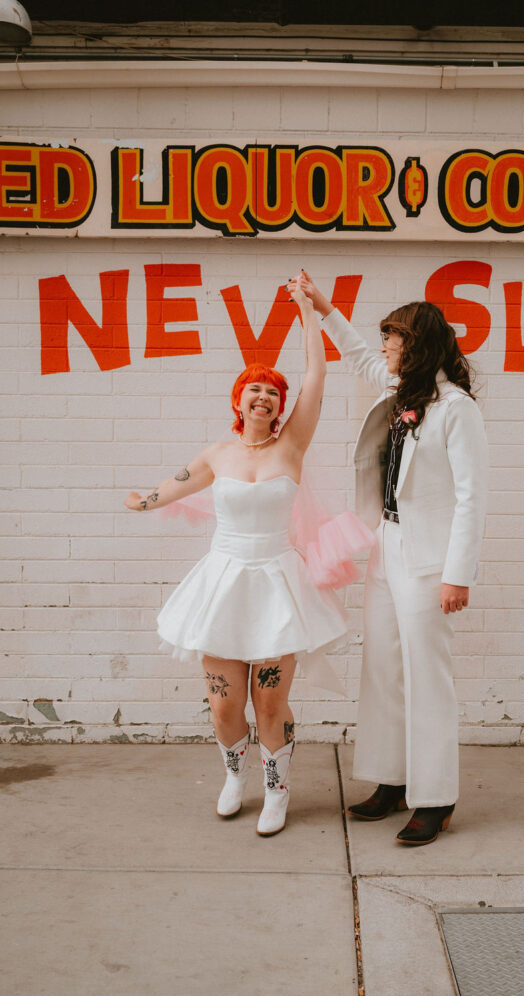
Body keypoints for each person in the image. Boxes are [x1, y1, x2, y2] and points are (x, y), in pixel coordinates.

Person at [123, 277, 347, 837]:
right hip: (223, 585)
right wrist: (143, 500)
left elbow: (317, 376)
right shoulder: (217, 454)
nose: (265, 397)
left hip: (276, 583)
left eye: (273, 391)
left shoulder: (291, 445)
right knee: (225, 708)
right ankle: (234, 775)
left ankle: (277, 790)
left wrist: (307, 313)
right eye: (254, 390)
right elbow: (174, 485)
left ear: (280, 406)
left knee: (270, 705)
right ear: (238, 401)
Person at [290, 271, 488, 846]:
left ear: (417, 344)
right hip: (388, 546)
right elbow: (354, 354)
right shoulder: (399, 392)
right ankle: (392, 781)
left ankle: (436, 799)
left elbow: (473, 497)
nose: (383, 348)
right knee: (382, 665)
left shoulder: (456, 410)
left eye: (392, 340)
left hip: (430, 560)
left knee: (427, 676)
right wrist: (323, 307)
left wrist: (459, 575)